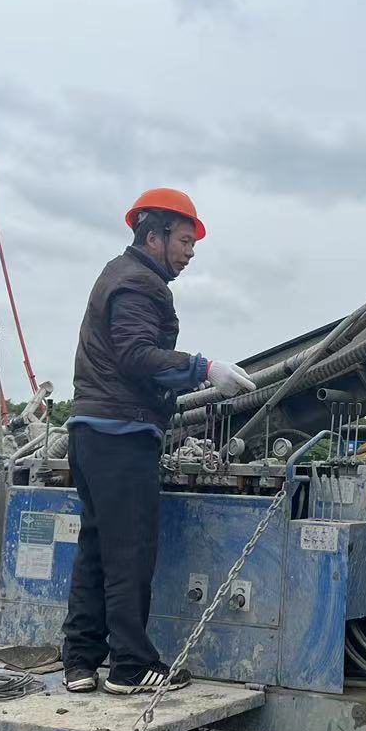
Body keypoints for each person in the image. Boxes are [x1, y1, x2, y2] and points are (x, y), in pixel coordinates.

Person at [61, 188, 257, 696]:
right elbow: (134, 353)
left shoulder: (119, 275)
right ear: (154, 236)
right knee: (130, 552)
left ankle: (80, 662)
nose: (190, 252)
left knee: (98, 547)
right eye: (185, 240)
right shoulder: (138, 283)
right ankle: (130, 667)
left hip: (91, 431)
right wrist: (202, 368)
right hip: (121, 434)